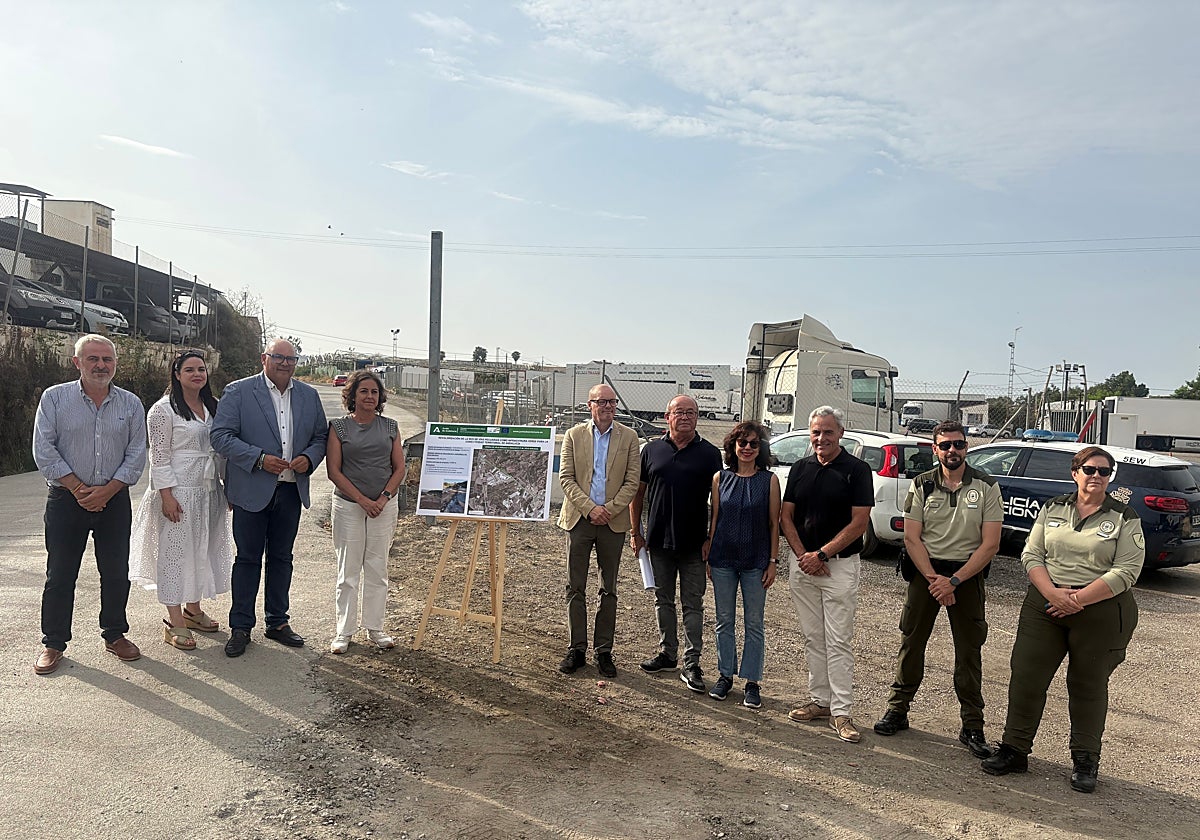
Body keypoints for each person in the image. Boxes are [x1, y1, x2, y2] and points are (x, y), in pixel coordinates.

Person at [982, 446, 1144, 793]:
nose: (1097, 476)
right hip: (1046, 605)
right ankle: (1014, 750)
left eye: (1105, 471)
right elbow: (1031, 553)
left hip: (1099, 610)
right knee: (1026, 676)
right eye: (1090, 469)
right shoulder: (1054, 507)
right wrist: (1053, 594)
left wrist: (1078, 600)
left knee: (1087, 686)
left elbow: (1127, 570)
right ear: (1075, 472)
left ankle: (1085, 761)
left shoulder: (1123, 516)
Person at [873, 421, 1002, 758]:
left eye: (958, 444)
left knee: (969, 651)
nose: (952, 451)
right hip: (926, 574)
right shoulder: (921, 484)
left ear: (967, 447)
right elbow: (912, 538)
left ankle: (972, 725)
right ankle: (898, 710)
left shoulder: (987, 486)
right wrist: (934, 579)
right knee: (911, 643)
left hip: (966, 575)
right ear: (935, 450)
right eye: (945, 445)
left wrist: (954, 581)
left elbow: (990, 545)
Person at [32, 334, 147, 675]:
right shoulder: (54, 399)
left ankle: (115, 634)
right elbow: (44, 449)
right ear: (77, 363)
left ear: (115, 364)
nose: (100, 365)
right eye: (93, 359)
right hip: (67, 500)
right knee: (60, 574)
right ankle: (53, 643)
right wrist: (80, 489)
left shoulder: (130, 404)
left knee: (115, 572)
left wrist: (106, 491)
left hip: (114, 501)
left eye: (107, 359)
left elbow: (136, 455)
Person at [210, 339, 328, 657]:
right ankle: (241, 626)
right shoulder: (239, 391)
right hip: (251, 489)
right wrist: (259, 458)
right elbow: (220, 436)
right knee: (247, 559)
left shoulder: (308, 395)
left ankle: (277, 622)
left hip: (290, 489)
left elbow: (321, 437)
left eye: (291, 358)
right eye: (278, 357)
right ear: (264, 358)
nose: (285, 363)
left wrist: (309, 458)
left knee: (282, 558)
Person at [129, 350, 235, 650]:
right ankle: (174, 621)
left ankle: (193, 610)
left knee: (202, 550)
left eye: (201, 369)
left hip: (209, 492)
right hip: (178, 494)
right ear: (177, 374)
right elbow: (159, 457)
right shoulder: (163, 410)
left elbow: (222, 450)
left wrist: (226, 488)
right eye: (189, 370)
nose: (197, 374)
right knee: (175, 556)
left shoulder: (213, 407)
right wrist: (166, 496)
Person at [781, 406, 873, 743]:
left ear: (841, 434)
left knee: (838, 641)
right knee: (813, 637)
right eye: (816, 432)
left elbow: (859, 522)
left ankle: (841, 711)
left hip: (839, 567)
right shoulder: (801, 468)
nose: (822, 438)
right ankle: (820, 701)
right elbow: (786, 516)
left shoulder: (857, 470)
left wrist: (822, 554)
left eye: (828, 432)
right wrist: (804, 556)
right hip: (802, 564)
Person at [631, 394, 723, 693]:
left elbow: (718, 503)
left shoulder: (710, 454)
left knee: (693, 605)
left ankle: (692, 662)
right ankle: (668, 654)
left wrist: (711, 537)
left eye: (691, 412)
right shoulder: (652, 451)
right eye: (679, 412)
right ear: (667, 417)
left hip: (695, 545)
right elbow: (638, 494)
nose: (685, 417)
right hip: (658, 542)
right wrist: (636, 533)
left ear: (697, 418)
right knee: (663, 600)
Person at [556, 384, 641, 677]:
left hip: (612, 523)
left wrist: (610, 510)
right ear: (589, 405)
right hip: (579, 520)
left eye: (612, 402)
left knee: (609, 588)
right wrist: (590, 508)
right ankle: (576, 648)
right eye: (602, 402)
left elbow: (632, 482)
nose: (608, 407)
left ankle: (604, 651)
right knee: (574, 585)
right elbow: (566, 478)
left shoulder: (629, 437)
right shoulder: (574, 435)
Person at [325, 370, 405, 654]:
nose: (369, 396)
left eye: (374, 392)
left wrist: (382, 498)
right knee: (348, 570)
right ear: (353, 395)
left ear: (380, 396)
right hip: (349, 506)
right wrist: (362, 500)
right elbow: (334, 471)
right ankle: (344, 631)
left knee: (377, 567)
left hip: (383, 506)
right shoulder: (339, 427)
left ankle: (375, 627)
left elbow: (399, 468)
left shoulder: (391, 427)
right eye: (363, 392)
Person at [704, 422, 780, 709]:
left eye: (753, 444)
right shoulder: (719, 479)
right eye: (742, 443)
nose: (747, 448)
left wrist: (773, 561)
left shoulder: (769, 481)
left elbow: (775, 523)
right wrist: (710, 552)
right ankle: (725, 675)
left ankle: (751, 681)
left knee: (754, 623)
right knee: (724, 620)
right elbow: (715, 518)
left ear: (760, 449)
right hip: (723, 558)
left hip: (756, 561)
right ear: (733, 446)